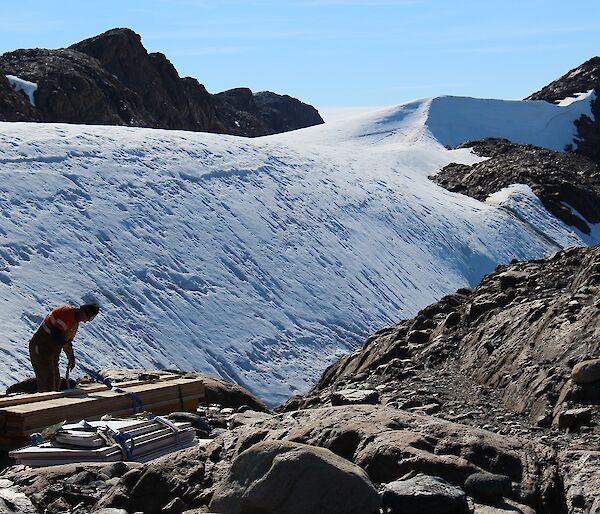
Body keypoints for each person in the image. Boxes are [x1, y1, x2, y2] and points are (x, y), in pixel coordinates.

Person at [29, 303, 100, 392]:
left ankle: (53, 401)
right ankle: (46, 403)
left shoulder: (74, 324)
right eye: (88, 318)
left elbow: (67, 342)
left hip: (52, 352)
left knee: (55, 381)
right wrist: (65, 345)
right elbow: (56, 333)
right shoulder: (66, 312)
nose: (86, 321)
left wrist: (71, 358)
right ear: (84, 312)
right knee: (47, 382)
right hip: (40, 347)